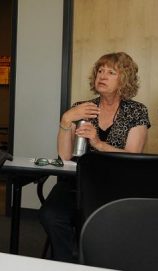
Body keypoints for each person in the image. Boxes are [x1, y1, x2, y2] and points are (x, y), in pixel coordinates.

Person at [40, 52, 150, 262]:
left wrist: (98, 143)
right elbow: (64, 156)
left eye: (111, 72)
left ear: (124, 79)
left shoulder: (136, 111)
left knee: (104, 221)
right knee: (50, 216)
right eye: (100, 71)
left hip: (116, 184)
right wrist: (66, 119)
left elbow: (134, 156)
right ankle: (66, 263)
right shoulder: (82, 107)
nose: (102, 76)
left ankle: (99, 260)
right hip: (78, 181)